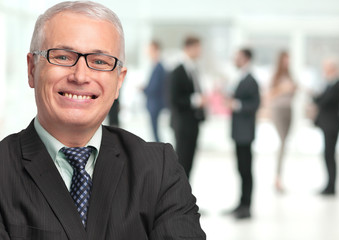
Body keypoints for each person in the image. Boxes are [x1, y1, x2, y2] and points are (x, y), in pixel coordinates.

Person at [0, 2, 206, 239]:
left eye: (99, 61)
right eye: (63, 57)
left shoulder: (157, 169)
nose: (80, 76)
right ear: (31, 69)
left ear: (119, 81)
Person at [227, 48, 260, 219]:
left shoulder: (251, 80)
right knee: (241, 168)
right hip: (239, 132)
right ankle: (241, 204)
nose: (235, 59)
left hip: (245, 133)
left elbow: (255, 104)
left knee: (246, 170)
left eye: (237, 57)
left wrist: (237, 104)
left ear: (246, 58)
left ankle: (246, 206)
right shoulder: (240, 77)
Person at [169, 36, 206, 179]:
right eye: (198, 47)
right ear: (188, 48)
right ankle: (179, 196)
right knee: (182, 161)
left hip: (194, 122)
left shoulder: (194, 69)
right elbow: (173, 99)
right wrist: (196, 101)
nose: (200, 51)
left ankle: (186, 194)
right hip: (182, 123)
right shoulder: (177, 71)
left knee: (190, 161)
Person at [313, 57, 339, 196]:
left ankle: (331, 187)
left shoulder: (337, 84)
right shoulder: (329, 84)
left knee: (330, 155)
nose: (324, 70)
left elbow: (325, 101)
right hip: (327, 124)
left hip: (332, 125)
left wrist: (318, 97)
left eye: (326, 67)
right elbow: (319, 99)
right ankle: (329, 185)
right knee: (327, 155)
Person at [268, 51, 296, 192]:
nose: (287, 62)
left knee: (285, 142)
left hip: (288, 110)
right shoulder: (275, 76)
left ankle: (279, 176)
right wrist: (282, 88)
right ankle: (277, 178)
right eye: (285, 59)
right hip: (278, 110)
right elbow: (269, 94)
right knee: (282, 141)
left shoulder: (290, 76)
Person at [143, 40, 167, 142]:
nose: (148, 52)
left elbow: (154, 87)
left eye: (150, 50)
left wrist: (144, 89)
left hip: (156, 104)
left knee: (156, 131)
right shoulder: (155, 66)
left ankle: (159, 151)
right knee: (154, 131)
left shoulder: (159, 67)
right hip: (153, 103)